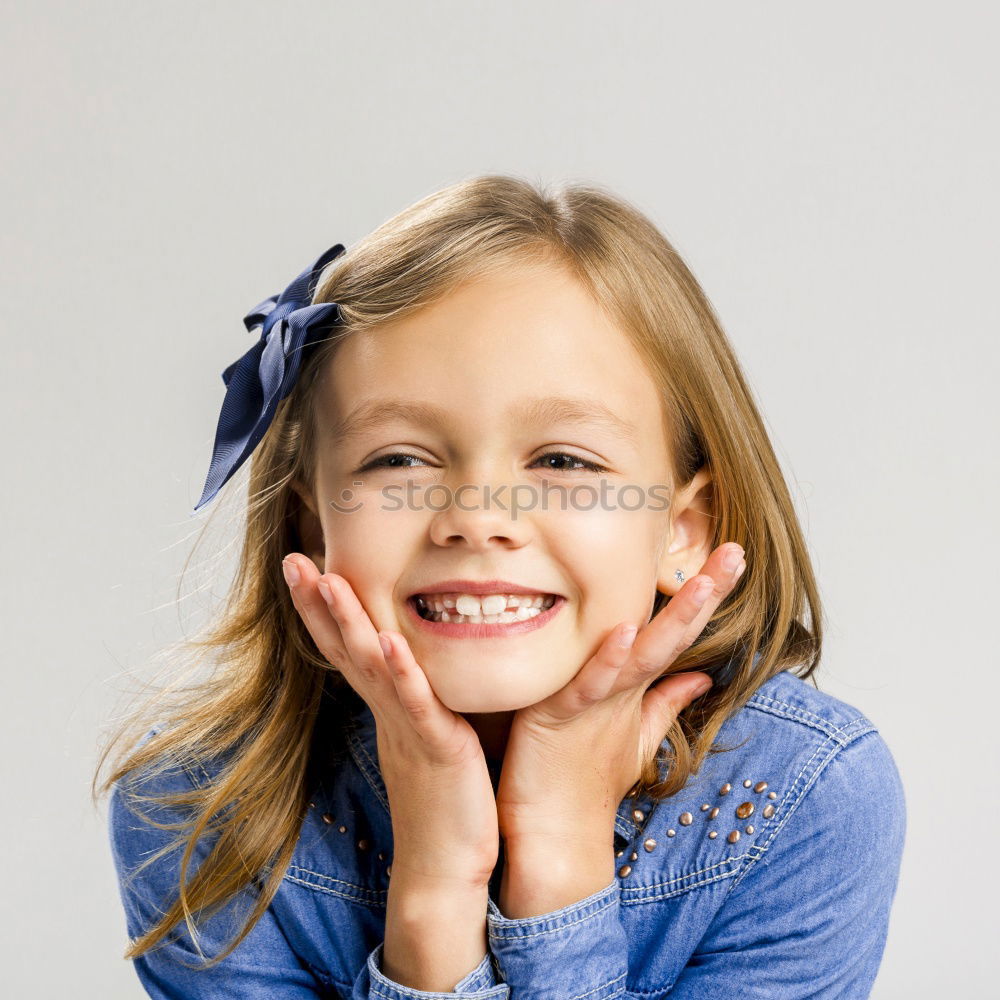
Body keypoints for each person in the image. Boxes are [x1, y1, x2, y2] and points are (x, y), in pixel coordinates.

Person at [96, 175, 906, 998]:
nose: (477, 519)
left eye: (562, 461)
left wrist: (558, 855)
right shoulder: (196, 812)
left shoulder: (800, 795)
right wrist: (434, 892)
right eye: (399, 460)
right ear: (313, 527)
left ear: (681, 532)